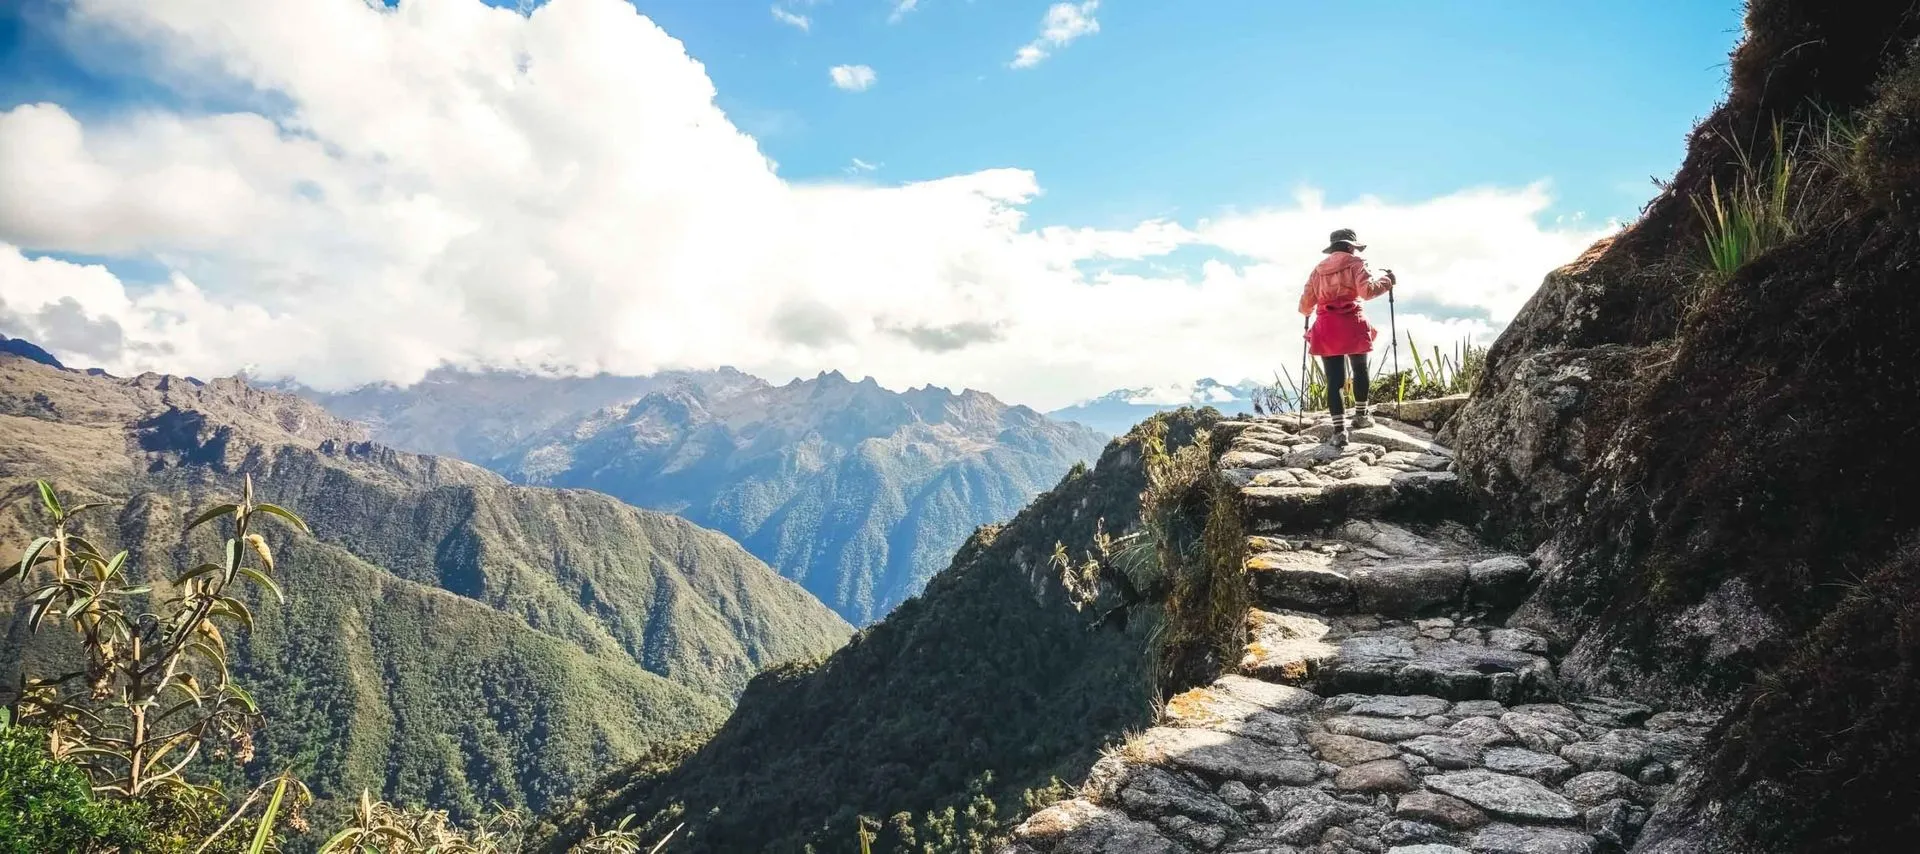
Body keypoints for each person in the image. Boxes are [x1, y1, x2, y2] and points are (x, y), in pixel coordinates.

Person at [1299, 228, 1395, 447]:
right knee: (1360, 368)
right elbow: (1367, 292)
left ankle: (1339, 431)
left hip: (1327, 326)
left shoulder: (1318, 270)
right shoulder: (1356, 263)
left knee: (1334, 381)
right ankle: (1361, 416)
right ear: (1351, 246)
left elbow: (1306, 303)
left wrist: (1307, 313)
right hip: (1352, 322)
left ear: (1332, 248)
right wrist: (1387, 281)